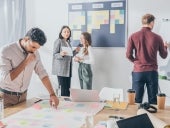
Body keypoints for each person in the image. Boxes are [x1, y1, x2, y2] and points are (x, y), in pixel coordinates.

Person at [0, 27, 59, 108]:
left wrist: (52, 94)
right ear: (26, 39)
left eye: (37, 48)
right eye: (33, 47)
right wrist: (26, 61)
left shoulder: (35, 52)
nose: (34, 50)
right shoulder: (6, 51)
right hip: (6, 97)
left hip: (23, 96)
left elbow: (42, 73)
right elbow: (7, 79)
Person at [126, 14, 168, 104]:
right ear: (152, 23)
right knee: (153, 102)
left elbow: (128, 54)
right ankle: (152, 118)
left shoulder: (133, 36)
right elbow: (164, 55)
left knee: (136, 101)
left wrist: (136, 62)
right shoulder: (157, 37)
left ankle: (136, 117)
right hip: (152, 73)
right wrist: (166, 47)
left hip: (138, 72)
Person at [52, 25, 79, 96]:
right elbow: (55, 54)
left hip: (68, 69)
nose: (67, 33)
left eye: (68, 32)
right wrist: (60, 54)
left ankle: (68, 104)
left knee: (68, 89)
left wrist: (76, 51)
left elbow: (69, 55)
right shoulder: (58, 41)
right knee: (63, 89)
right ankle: (64, 104)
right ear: (61, 33)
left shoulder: (68, 42)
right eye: (65, 32)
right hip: (61, 69)